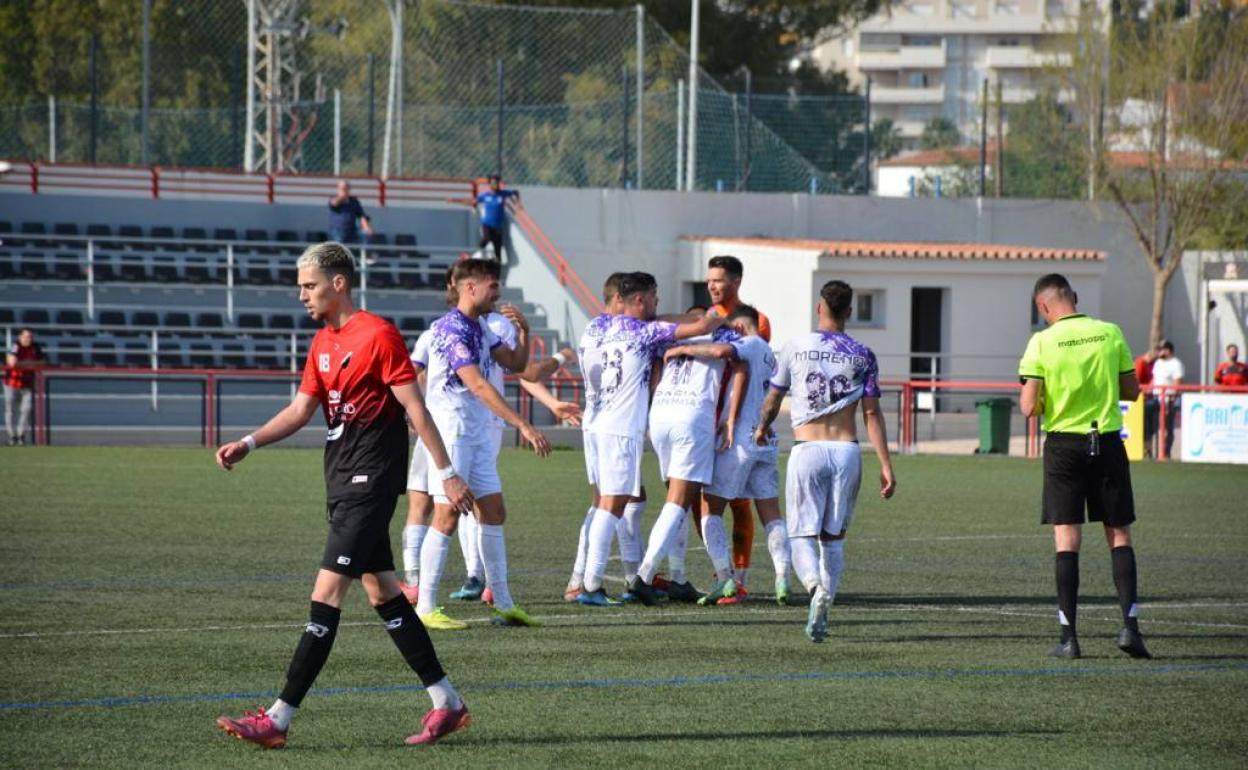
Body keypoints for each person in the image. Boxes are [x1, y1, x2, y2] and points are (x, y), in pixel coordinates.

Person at [213, 242, 475, 750]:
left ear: (338, 283)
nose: (302, 295)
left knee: (326, 594)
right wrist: (249, 443)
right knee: (384, 594)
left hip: (371, 483)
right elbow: (299, 410)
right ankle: (447, 702)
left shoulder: (378, 335)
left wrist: (446, 473)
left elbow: (416, 410)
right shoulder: (321, 344)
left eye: (309, 286)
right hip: (340, 481)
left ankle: (278, 718)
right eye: (300, 287)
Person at [411, 258, 551, 630]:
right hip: (453, 431)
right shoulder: (449, 330)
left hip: (476, 431)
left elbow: (515, 365)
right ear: (469, 287)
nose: (498, 293)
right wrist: (523, 423)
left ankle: (504, 604)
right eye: (492, 286)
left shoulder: (481, 327)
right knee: (448, 515)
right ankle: (425, 606)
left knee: (494, 511)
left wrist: (523, 333)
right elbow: (477, 384)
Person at [755, 279, 896, 643]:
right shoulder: (863, 354)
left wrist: (761, 428)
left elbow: (773, 398)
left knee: (802, 534)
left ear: (820, 307)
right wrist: (885, 464)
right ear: (849, 311)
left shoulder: (795, 347)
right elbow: (872, 414)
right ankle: (826, 605)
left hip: (808, 449)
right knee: (833, 538)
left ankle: (815, 586)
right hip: (847, 451)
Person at [1019, 273, 1150, 660]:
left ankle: (1069, 637)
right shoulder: (1110, 333)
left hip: (1064, 445)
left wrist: (1050, 398)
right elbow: (1131, 391)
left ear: (1044, 307)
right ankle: (1130, 628)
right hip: (1106, 441)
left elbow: (1028, 406)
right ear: (1073, 297)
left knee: (1067, 537)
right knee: (1119, 534)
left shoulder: (1041, 342)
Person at [575, 271, 724, 606]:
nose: (658, 304)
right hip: (620, 427)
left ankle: (612, 579)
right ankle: (591, 585)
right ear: (639, 300)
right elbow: (702, 329)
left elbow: (658, 320)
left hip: (594, 424)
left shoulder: (596, 326)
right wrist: (715, 316)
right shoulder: (645, 333)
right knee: (611, 505)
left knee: (615, 501)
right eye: (654, 297)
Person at [627, 315, 747, 607]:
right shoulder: (722, 337)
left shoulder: (673, 339)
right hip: (692, 417)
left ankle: (678, 579)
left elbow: (655, 375)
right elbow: (738, 364)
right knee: (679, 501)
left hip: (662, 415)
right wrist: (729, 420)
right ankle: (643, 576)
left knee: (675, 498)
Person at [702, 305, 792, 606]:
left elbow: (720, 352)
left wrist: (682, 348)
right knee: (771, 513)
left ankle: (725, 579)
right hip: (766, 439)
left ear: (740, 326)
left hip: (740, 438)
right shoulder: (772, 354)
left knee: (710, 508)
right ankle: (782, 577)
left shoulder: (750, 344)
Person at [705, 255, 772, 598]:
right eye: (709, 280)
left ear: (735, 282)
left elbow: (751, 368)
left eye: (718, 280)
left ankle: (740, 578)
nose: (712, 286)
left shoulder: (756, 321)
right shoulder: (704, 320)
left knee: (740, 503)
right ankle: (722, 573)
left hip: (739, 426)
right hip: (706, 423)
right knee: (700, 503)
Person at [5, 328, 44, 446]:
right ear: (20, 337)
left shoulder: (35, 347)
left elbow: (42, 362)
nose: (28, 339)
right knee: (10, 410)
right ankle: (12, 436)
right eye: (26, 336)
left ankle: (21, 435)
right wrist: (29, 363)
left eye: (30, 337)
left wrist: (23, 363)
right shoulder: (15, 346)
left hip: (27, 383)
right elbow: (12, 362)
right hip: (12, 383)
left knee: (26, 409)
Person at [1151, 340, 1184, 460]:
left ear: (1168, 350)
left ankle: (1166, 452)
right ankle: (1152, 452)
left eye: (1161, 349)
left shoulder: (1176, 364)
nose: (1159, 352)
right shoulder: (1158, 363)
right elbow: (1154, 379)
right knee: (1155, 427)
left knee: (1168, 428)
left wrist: (1172, 400)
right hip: (1156, 399)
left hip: (1169, 400)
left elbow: (1178, 383)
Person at [476, 175, 519, 263]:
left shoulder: (503, 193)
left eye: (496, 183)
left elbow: (515, 193)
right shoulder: (485, 195)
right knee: (487, 238)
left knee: (498, 246)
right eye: (492, 183)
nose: (494, 185)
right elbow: (475, 201)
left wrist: (517, 203)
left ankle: (497, 264)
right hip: (487, 223)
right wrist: (473, 208)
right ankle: (479, 252)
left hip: (498, 225)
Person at [327, 180, 374, 245]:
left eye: (347, 188)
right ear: (338, 189)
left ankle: (366, 254)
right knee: (340, 241)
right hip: (338, 230)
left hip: (352, 230)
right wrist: (342, 197)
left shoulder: (354, 201)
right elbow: (334, 204)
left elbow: (361, 215)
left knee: (366, 235)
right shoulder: (333, 199)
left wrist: (366, 227)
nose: (345, 190)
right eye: (343, 188)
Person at [1133, 347, 1159, 457]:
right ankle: (1145, 449)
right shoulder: (1140, 363)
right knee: (1145, 428)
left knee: (1152, 427)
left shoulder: (1152, 364)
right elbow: (1136, 380)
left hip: (1150, 399)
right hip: (1143, 400)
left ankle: (1148, 449)